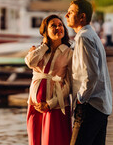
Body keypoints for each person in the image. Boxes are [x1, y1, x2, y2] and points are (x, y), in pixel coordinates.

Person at [65, 0, 112, 145]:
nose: (66, 15)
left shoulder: (84, 37)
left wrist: (81, 99)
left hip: (90, 105)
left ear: (82, 17)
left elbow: (91, 74)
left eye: (71, 12)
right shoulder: (91, 35)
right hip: (99, 104)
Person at [25, 14, 73, 145]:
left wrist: (50, 103)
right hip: (34, 106)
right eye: (53, 26)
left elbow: (68, 85)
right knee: (34, 142)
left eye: (60, 25)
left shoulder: (69, 53)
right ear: (45, 31)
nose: (58, 28)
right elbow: (29, 62)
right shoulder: (39, 51)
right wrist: (44, 46)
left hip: (55, 107)